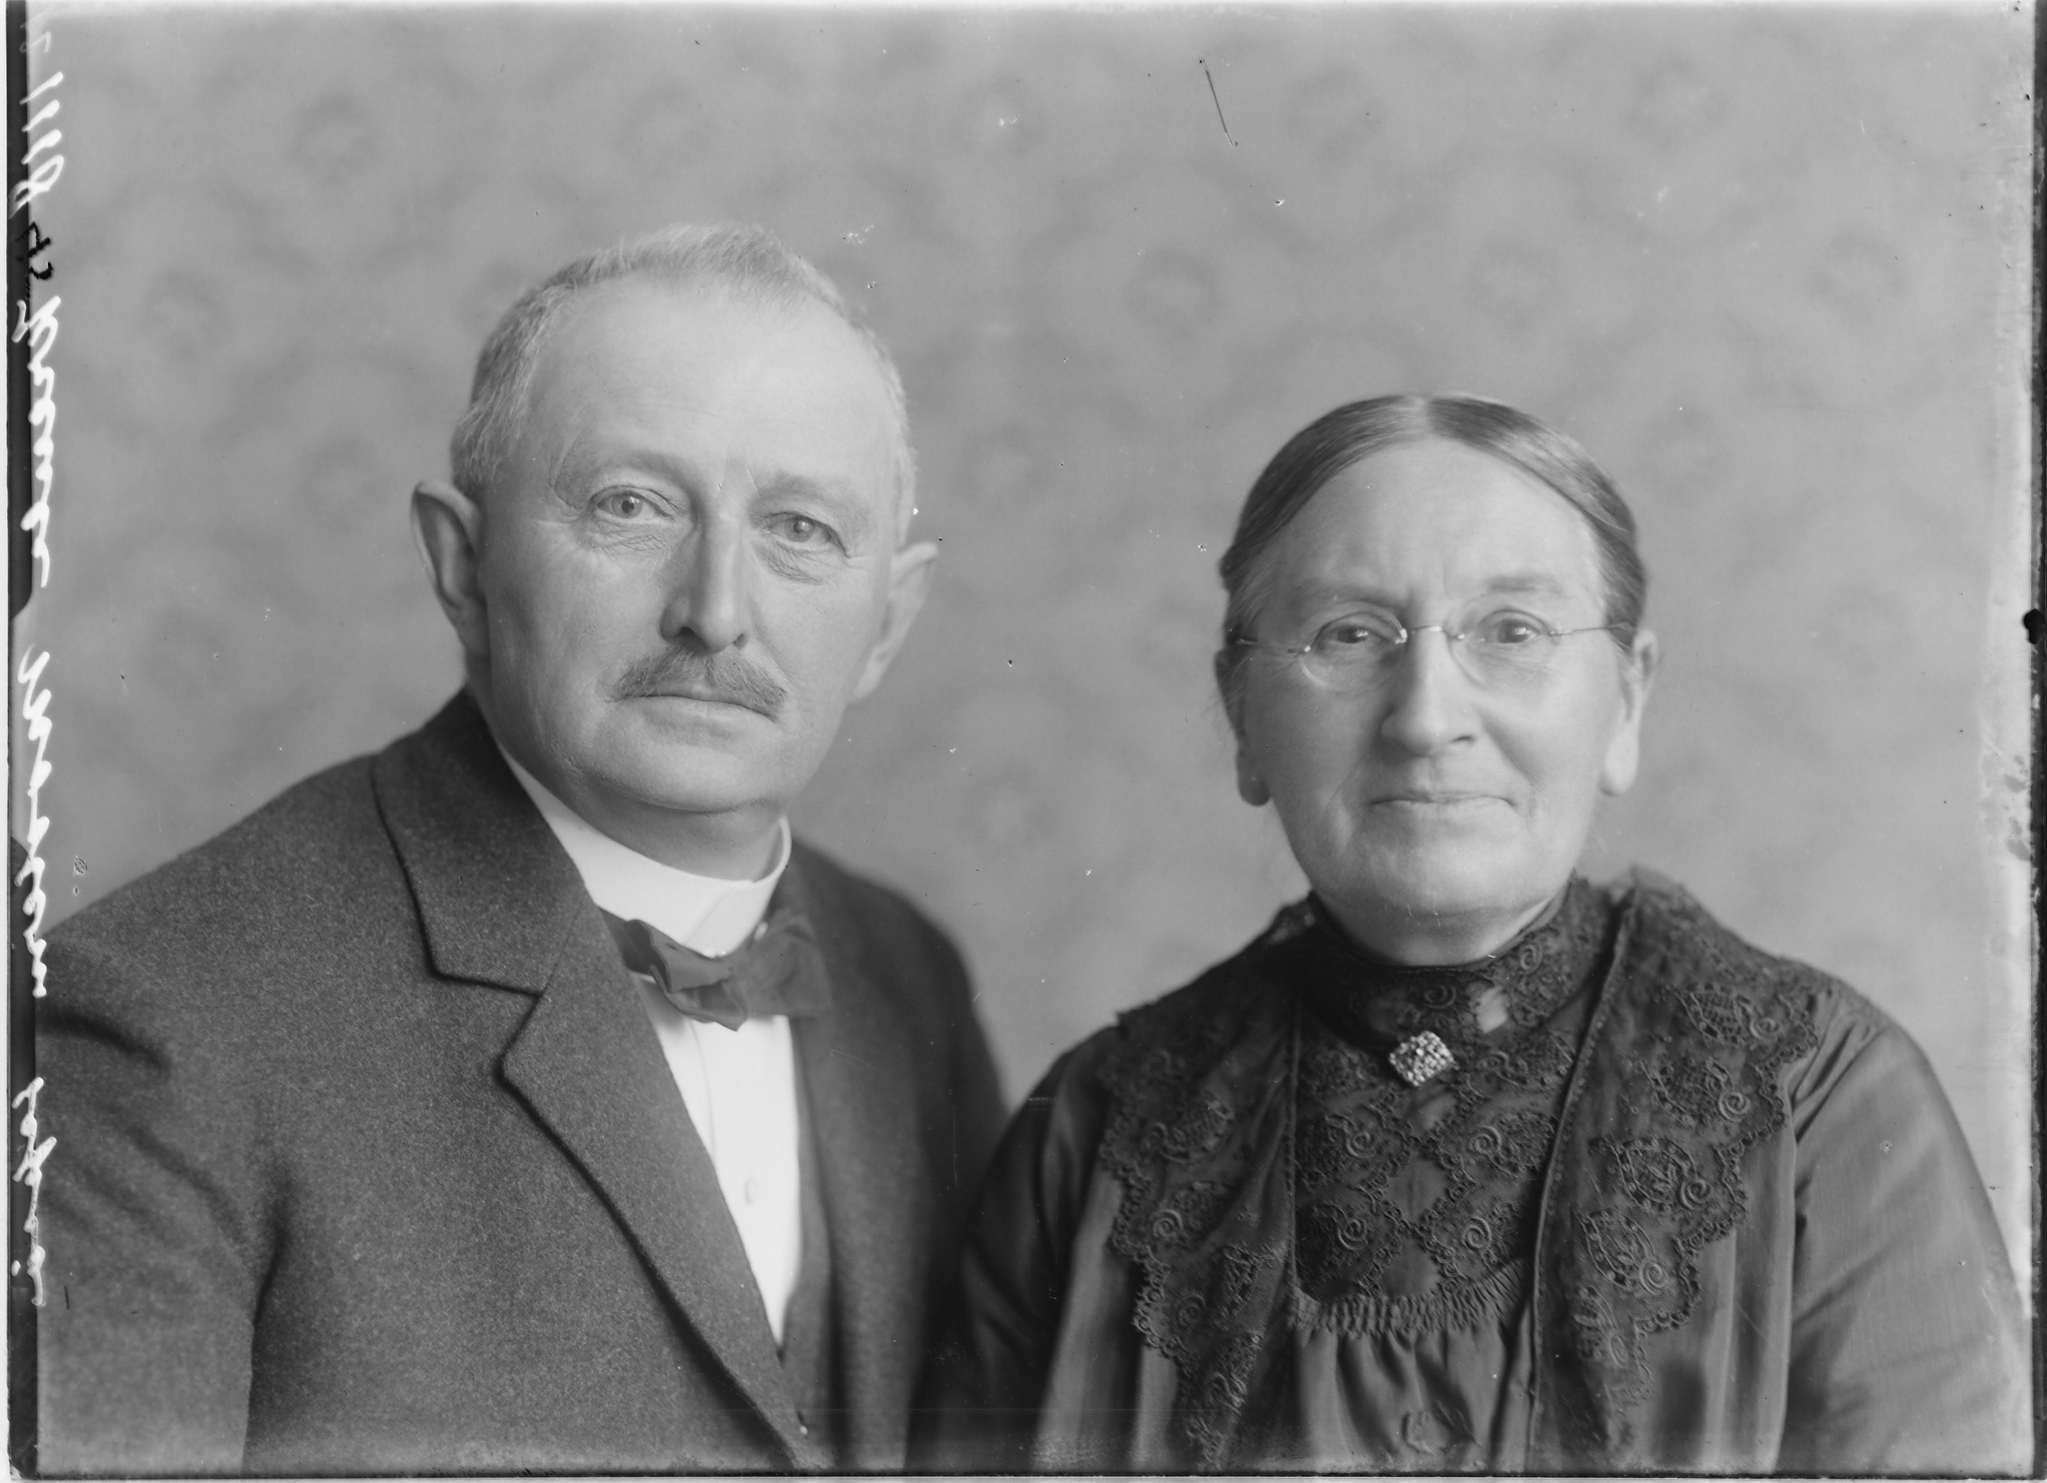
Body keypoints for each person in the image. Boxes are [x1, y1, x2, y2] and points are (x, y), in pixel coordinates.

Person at [38, 223, 1006, 1475]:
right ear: (462, 567)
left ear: (887, 622)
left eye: (801, 529)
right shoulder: (161, 1017)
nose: (716, 612)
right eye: (630, 505)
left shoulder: (907, 976)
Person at [918, 395, 2029, 1474]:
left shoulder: (1821, 1097)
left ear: (1625, 700)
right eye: (1348, 634)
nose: (1424, 716)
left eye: (1512, 631)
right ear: (1244, 712)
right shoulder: (1096, 1129)